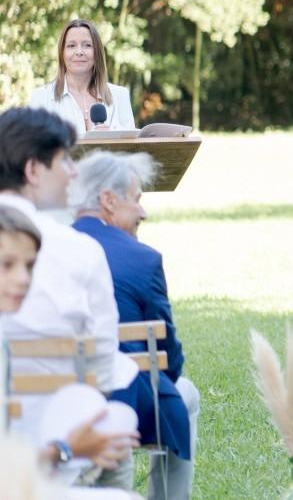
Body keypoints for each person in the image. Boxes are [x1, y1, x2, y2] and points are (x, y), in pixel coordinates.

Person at [0, 111, 138, 482]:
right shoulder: (81, 250)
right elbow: (104, 364)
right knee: (117, 435)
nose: (75, 173)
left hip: (30, 451)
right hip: (64, 438)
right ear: (33, 170)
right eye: (65, 160)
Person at [72, 152, 199, 500]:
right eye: (137, 199)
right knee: (186, 394)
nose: (143, 212)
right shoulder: (142, 258)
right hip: (124, 401)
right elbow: (169, 362)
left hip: (54, 398)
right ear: (108, 200)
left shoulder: (45, 249)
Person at [29, 19, 135, 133]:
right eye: (71, 45)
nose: (79, 51)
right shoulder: (40, 98)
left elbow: (132, 148)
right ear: (62, 53)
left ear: (97, 53)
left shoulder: (120, 96)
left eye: (87, 45)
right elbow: (31, 147)